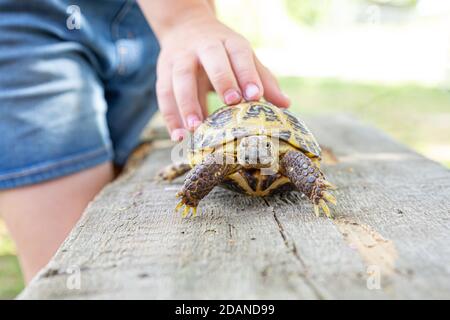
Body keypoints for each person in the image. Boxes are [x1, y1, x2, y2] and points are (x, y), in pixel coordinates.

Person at [0, 0, 290, 283]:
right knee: (73, 269)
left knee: (121, 214)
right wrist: (185, 17)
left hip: (148, 28)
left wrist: (199, 14)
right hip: (35, 26)